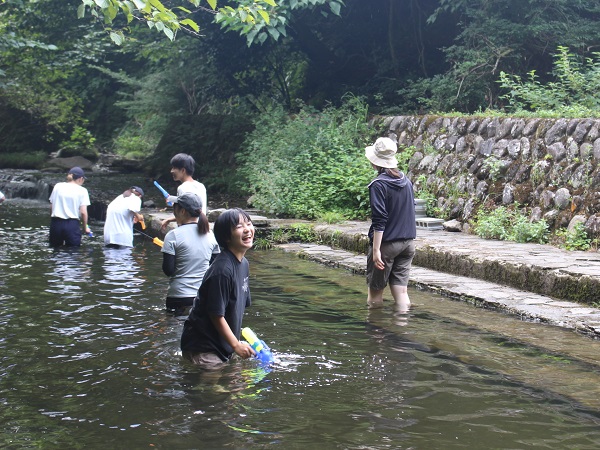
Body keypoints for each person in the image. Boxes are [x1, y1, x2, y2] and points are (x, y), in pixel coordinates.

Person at [180, 208, 256, 368]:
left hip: (223, 345)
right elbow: (216, 314)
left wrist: (236, 343)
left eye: (249, 224)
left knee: (234, 386)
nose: (247, 229)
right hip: (203, 346)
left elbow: (239, 306)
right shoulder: (222, 270)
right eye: (239, 227)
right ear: (226, 237)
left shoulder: (244, 264)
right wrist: (236, 345)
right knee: (213, 390)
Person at [365, 137, 417, 312]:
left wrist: (376, 250)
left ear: (375, 161)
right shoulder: (405, 181)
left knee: (375, 296)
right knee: (401, 293)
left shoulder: (378, 185)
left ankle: (375, 333)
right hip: (408, 244)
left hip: (387, 245)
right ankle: (400, 331)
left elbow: (380, 219)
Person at [161, 193, 220, 315]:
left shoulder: (173, 235)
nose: (173, 212)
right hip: (202, 297)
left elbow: (168, 270)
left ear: (182, 211)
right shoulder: (211, 235)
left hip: (178, 296)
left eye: (174, 208)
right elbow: (214, 266)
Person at [160, 153, 207, 231]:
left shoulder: (182, 188)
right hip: (200, 227)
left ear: (183, 170)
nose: (171, 171)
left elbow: (185, 215)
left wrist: (173, 207)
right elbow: (194, 211)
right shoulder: (201, 186)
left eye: (174, 168)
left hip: (188, 229)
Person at [48, 166, 91, 247]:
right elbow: (83, 212)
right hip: (72, 225)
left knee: (55, 251)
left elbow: (51, 206)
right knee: (72, 252)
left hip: (56, 223)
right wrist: (85, 228)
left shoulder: (58, 186)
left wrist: (52, 220)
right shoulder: (82, 190)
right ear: (80, 178)